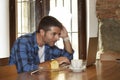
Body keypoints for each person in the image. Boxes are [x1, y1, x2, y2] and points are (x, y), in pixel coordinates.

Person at [9, 16, 74, 73]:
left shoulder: (47, 45)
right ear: (42, 32)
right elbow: (24, 70)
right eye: (54, 34)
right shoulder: (23, 42)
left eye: (58, 34)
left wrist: (66, 37)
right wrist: (53, 62)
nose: (57, 38)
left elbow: (68, 58)